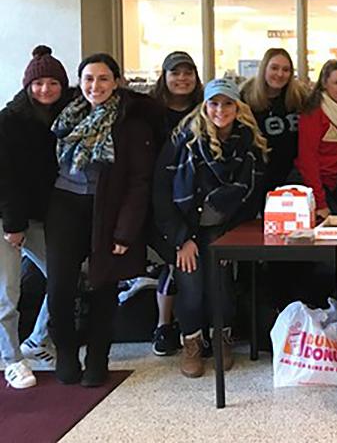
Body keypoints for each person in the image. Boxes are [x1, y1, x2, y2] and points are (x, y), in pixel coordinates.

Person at [45, 53, 162, 387]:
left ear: (117, 82)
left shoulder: (131, 123)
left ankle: (98, 357)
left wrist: (126, 231)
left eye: (103, 79)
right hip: (64, 204)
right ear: (79, 83)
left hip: (107, 210)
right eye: (88, 79)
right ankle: (66, 351)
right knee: (59, 287)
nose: (95, 86)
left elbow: (140, 182)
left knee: (104, 287)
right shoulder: (64, 116)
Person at [153, 79, 268, 378]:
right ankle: (191, 341)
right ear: (205, 106)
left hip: (223, 227)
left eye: (227, 103)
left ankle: (221, 337)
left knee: (221, 286)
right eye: (214, 103)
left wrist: (234, 238)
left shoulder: (249, 144)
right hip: (185, 227)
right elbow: (162, 193)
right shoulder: (183, 141)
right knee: (191, 287)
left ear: (237, 107)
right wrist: (180, 239)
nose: (220, 110)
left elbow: (252, 196)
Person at [0, 46, 73, 389]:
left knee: (66, 277)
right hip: (6, 219)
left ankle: (37, 340)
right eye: (39, 83)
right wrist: (13, 225)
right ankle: (12, 359)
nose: (46, 89)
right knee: (7, 293)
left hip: (42, 218)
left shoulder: (68, 117)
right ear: (28, 85)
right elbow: (5, 178)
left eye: (53, 83)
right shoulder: (9, 121)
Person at [148, 51, 203, 357]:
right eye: (175, 73)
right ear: (164, 77)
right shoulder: (151, 113)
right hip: (159, 201)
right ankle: (164, 325)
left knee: (189, 267)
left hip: (193, 203)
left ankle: (192, 329)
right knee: (174, 261)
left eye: (188, 73)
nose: (182, 79)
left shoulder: (205, 110)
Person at [241, 48, 306, 197]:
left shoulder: (299, 96)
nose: (280, 74)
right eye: (274, 68)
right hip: (259, 176)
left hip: (293, 176)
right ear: (264, 68)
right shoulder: (246, 98)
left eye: (286, 70)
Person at [296, 60, 337, 219]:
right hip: (312, 186)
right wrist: (320, 202)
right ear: (324, 83)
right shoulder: (314, 113)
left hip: (333, 186)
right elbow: (307, 160)